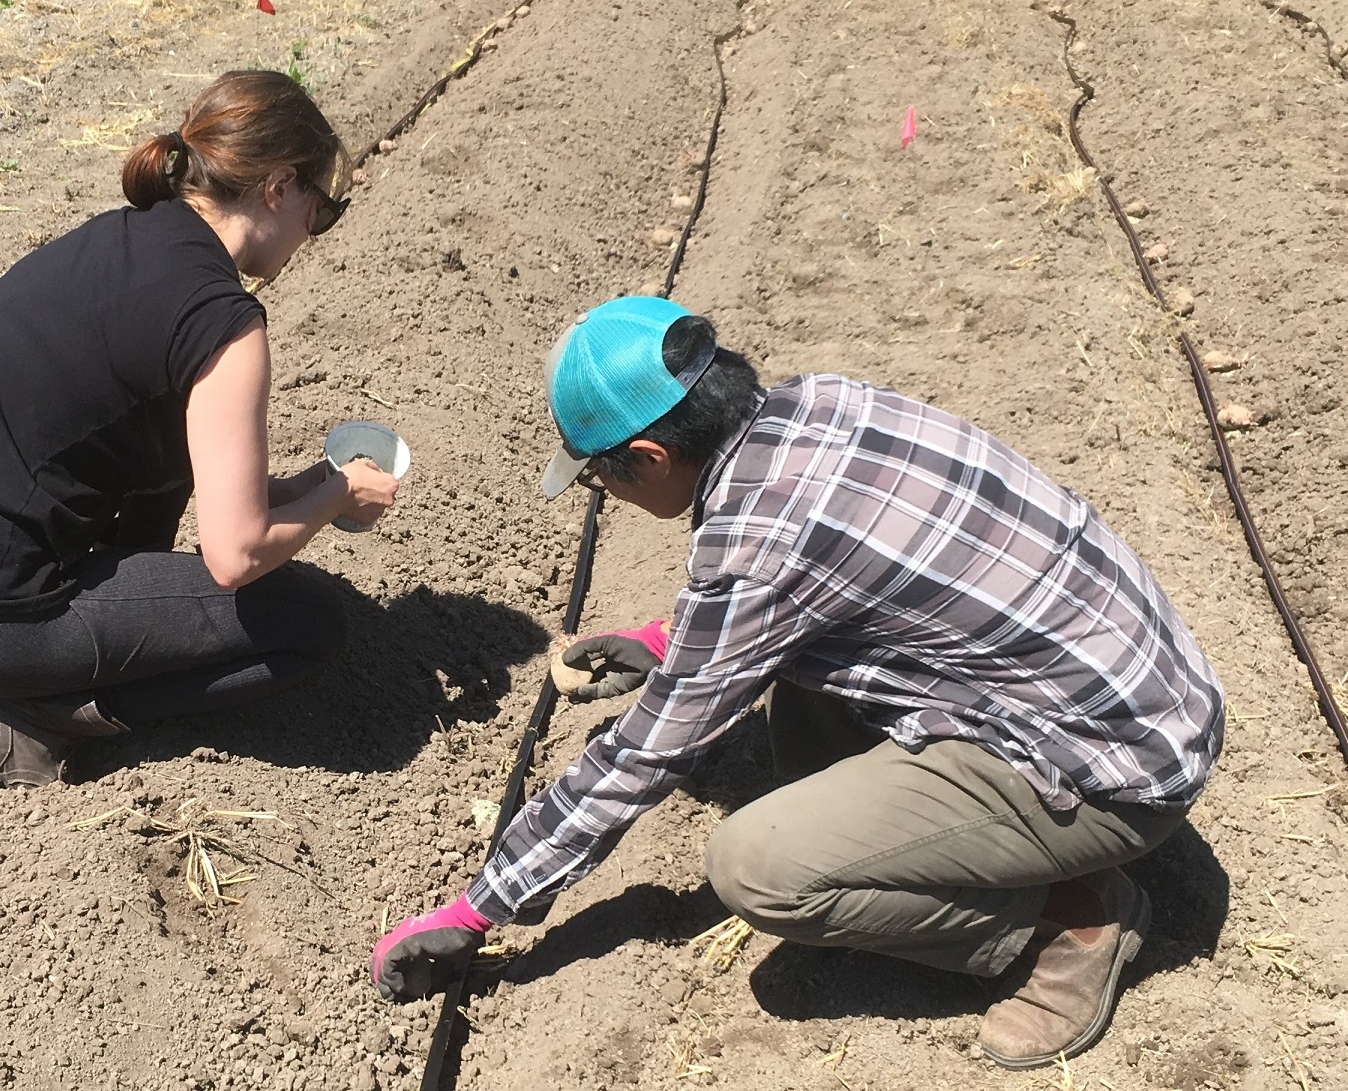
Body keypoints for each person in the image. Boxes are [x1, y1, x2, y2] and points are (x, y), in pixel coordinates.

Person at [370, 297, 1224, 1067]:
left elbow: (642, 757)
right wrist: (673, 639)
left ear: (649, 455)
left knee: (758, 866)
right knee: (799, 698)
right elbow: (848, 578)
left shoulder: (759, 545)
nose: (601, 493)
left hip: (1109, 773)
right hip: (1138, 695)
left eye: (599, 477)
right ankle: (968, 858)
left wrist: (482, 907)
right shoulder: (822, 401)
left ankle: (1065, 925)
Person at [0, 70, 398, 791]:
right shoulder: (222, 324)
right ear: (279, 187)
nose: (311, 234)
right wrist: (335, 499)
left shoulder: (121, 240)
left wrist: (303, 488)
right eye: (320, 211)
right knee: (309, 620)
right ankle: (44, 715)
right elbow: (234, 556)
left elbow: (166, 465)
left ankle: (61, 666)